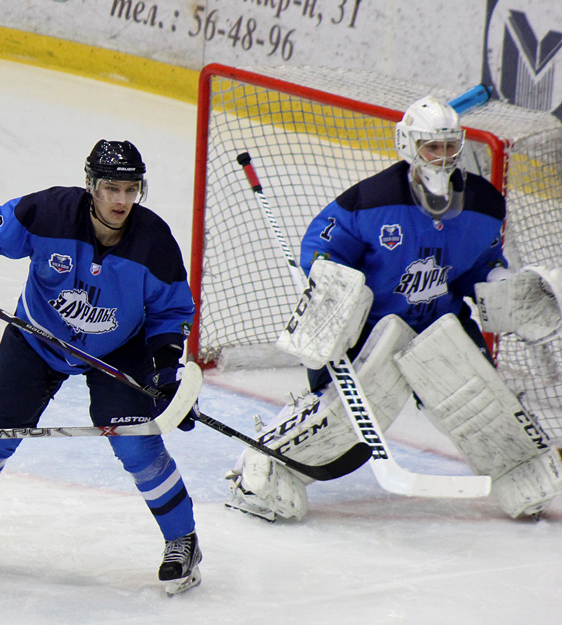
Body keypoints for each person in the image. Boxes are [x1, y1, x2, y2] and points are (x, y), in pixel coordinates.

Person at [225, 95, 562, 522]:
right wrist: (330, 281)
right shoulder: (370, 200)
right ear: (407, 145)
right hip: (371, 330)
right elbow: (321, 247)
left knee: (483, 402)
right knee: (342, 426)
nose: (441, 157)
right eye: (430, 147)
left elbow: (480, 264)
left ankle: (521, 474)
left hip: (439, 323)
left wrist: (502, 284)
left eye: (449, 146)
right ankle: (259, 468)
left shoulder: (483, 203)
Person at [0, 139, 203, 596]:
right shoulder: (50, 212)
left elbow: (172, 311)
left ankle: (183, 540)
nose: (121, 200)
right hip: (38, 336)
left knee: (139, 445)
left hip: (117, 349)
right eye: (111, 188)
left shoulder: (154, 241)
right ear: (91, 186)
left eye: (131, 189)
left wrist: (165, 369)